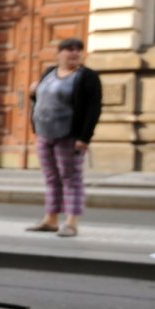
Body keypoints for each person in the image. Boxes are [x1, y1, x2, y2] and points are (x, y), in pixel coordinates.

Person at [26, 37, 102, 238]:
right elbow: (42, 99)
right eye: (69, 49)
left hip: (69, 135)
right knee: (51, 178)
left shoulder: (87, 76)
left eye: (78, 49)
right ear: (59, 53)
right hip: (44, 133)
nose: (74, 53)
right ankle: (50, 220)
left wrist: (84, 138)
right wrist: (33, 93)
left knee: (71, 179)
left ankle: (71, 223)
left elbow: (93, 109)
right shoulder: (50, 72)